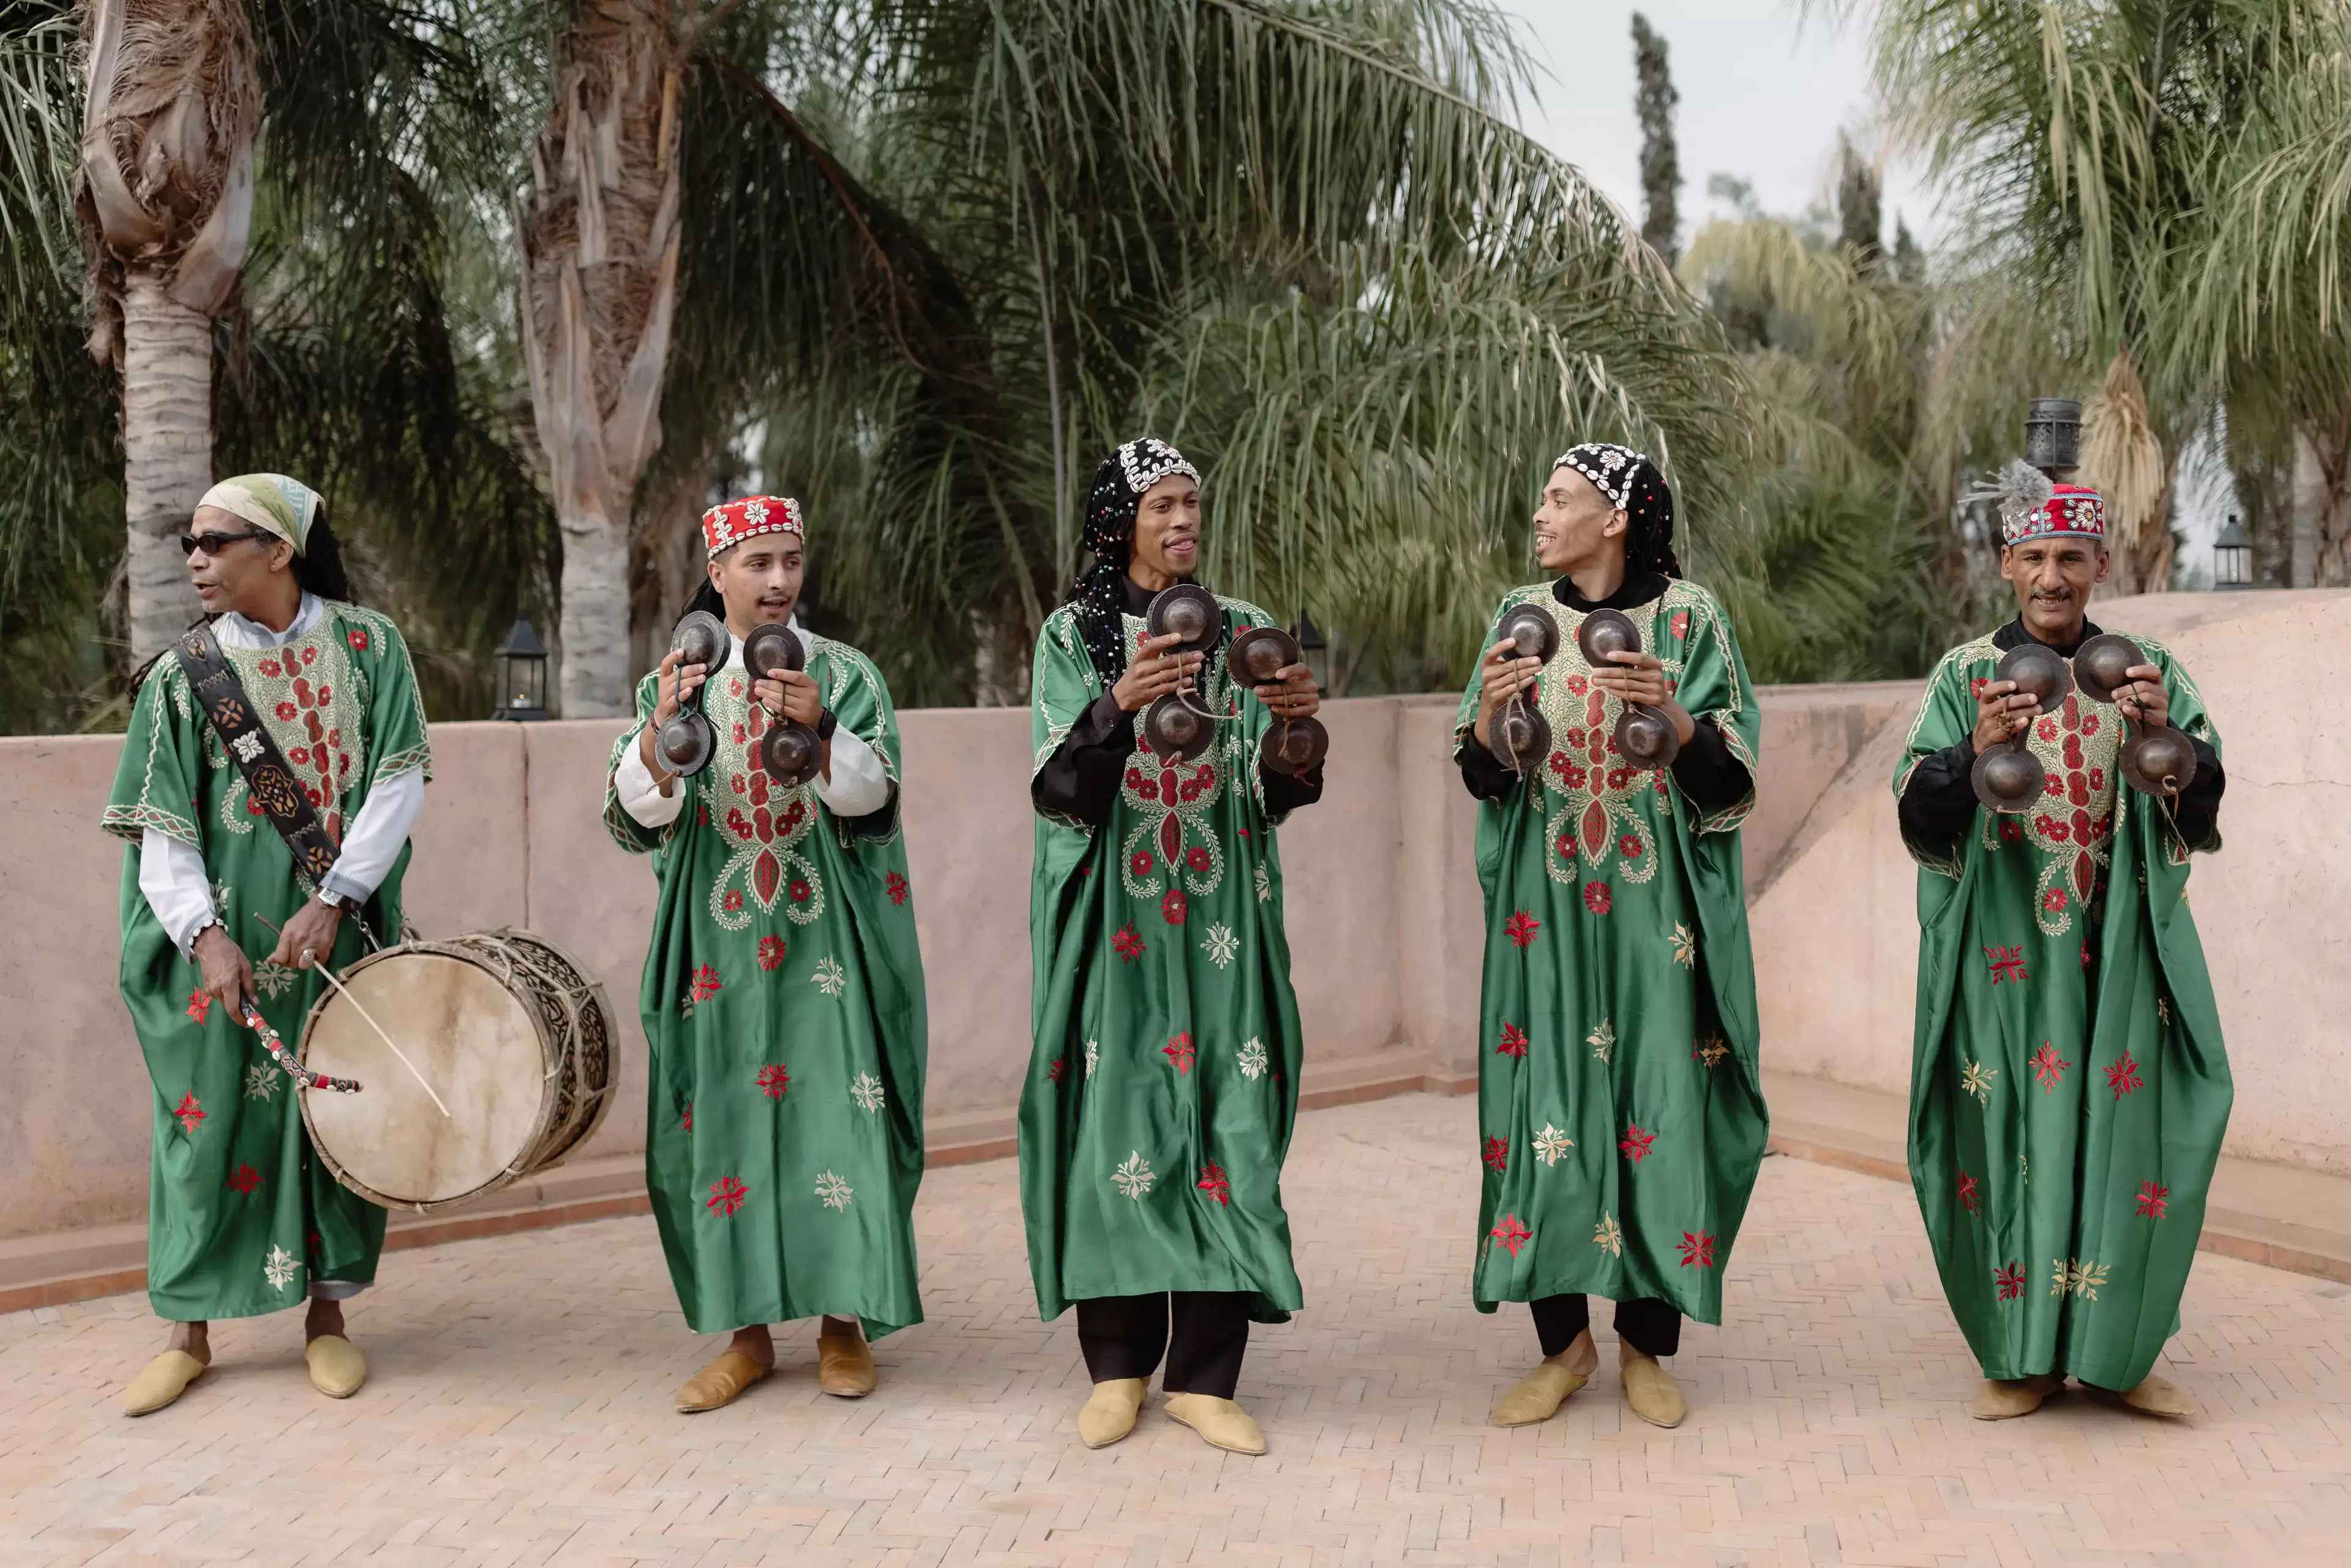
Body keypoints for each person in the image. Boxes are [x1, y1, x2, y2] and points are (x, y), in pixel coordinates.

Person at [1895, 469, 2227, 1420]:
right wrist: (1971, 751)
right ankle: (2022, 1356)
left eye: (2070, 558)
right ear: (2007, 565)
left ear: (2100, 565)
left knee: (2128, 1145)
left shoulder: (2144, 669)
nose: (2052, 575)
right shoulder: (1967, 676)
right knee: (2009, 1145)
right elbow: (1918, 812)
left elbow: (2202, 805)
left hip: (2120, 957)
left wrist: (2168, 740)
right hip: (2004, 964)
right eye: (2034, 557)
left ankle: (2120, 1357)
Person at [1019, 438, 1325, 1456]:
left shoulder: (1241, 631)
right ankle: (1117, 1370)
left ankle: (1204, 1376)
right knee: (1118, 1124)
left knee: (1225, 1121)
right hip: (1118, 921)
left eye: (1194, 504)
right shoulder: (1075, 636)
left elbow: (1275, 792)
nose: (1185, 522)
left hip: (1222, 918)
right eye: (1165, 507)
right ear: (1122, 520)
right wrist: (1123, 699)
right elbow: (1060, 789)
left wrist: (1295, 733)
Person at [1453, 444, 1766, 1430]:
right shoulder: (1520, 618)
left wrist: (1671, 720)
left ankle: (1645, 1347)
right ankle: (1563, 1348)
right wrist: (1495, 715)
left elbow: (1733, 777)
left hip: (1655, 920)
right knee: (1544, 1112)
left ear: (1617, 515)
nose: (1540, 514)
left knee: (1660, 1107)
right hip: (1542, 915)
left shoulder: (1691, 618)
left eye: (1560, 498)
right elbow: (1482, 772)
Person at [103, 475, 430, 1416]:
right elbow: (161, 825)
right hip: (220, 948)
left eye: (216, 541)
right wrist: (203, 935)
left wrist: (335, 895)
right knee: (202, 1127)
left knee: (336, 1125)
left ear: (279, 549)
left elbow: (399, 779)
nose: (196, 560)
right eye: (189, 545)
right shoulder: (182, 676)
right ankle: (188, 1333)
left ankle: (327, 1323)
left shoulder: (370, 648)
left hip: (340, 929)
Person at [604, 495, 927, 1414]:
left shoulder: (846, 673)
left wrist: (824, 729)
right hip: (717, 943)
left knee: (838, 1120)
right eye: (758, 563)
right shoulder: (678, 678)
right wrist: (661, 745)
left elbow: (875, 803)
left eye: (791, 560)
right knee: (723, 1130)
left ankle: (842, 1324)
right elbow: (635, 817)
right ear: (718, 576)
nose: (779, 580)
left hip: (826, 940)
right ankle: (744, 1336)